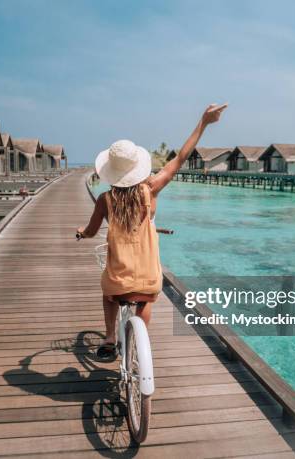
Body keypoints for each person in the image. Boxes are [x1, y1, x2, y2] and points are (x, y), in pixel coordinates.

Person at [77, 103, 228, 357]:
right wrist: (203, 122)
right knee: (145, 299)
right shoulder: (151, 189)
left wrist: (83, 231)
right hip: (148, 277)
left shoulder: (105, 200)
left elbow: (91, 231)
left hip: (118, 278)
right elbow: (180, 157)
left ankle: (110, 337)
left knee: (108, 293)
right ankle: (137, 339)